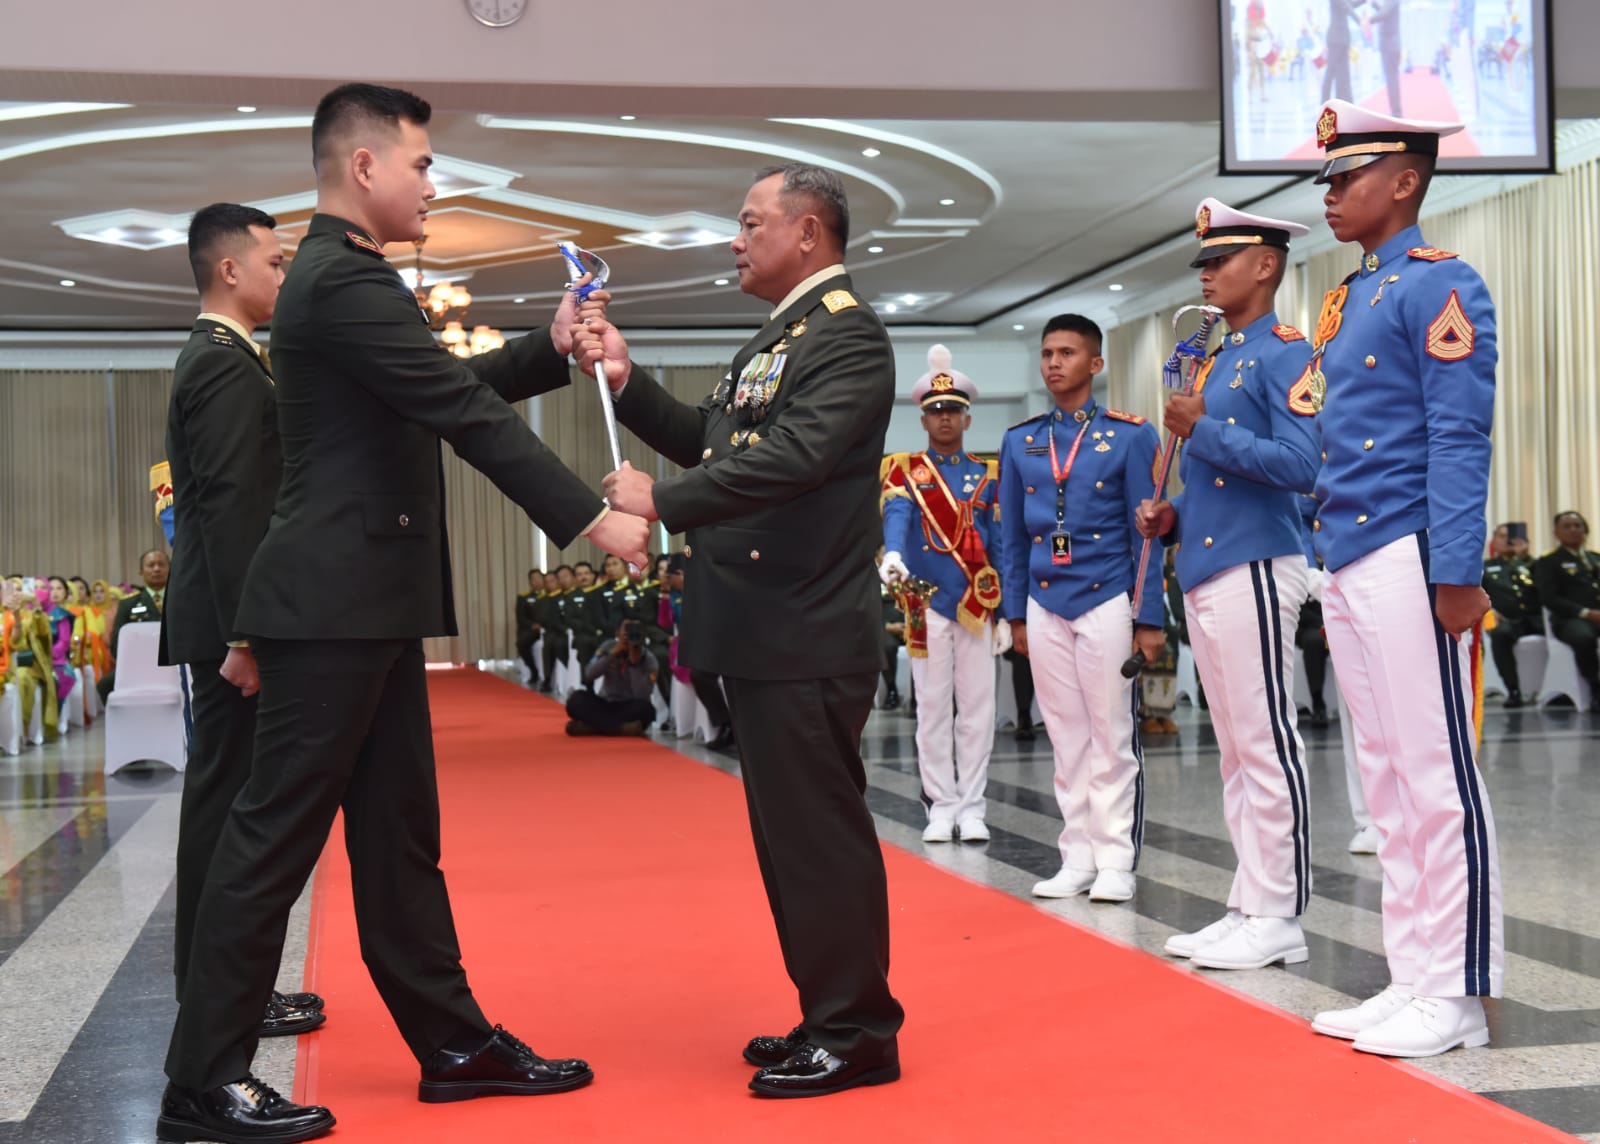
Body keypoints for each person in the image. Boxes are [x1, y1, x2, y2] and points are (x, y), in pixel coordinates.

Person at [158, 83, 649, 1144]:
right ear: (366, 166)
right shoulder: (337, 276)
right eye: (422, 165)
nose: (434, 184)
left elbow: (436, 381)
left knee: (397, 842)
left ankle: (455, 1044)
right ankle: (201, 1079)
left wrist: (546, 344)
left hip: (362, 604)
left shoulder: (345, 278)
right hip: (330, 604)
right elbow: (459, 410)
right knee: (273, 840)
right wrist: (588, 518)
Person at [576, 162, 904, 1098]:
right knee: (789, 838)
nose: (735, 236)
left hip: (803, 624)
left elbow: (796, 459)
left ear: (807, 234)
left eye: (751, 221)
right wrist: (629, 382)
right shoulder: (781, 335)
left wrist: (663, 503)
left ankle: (857, 1030)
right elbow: (719, 440)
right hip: (767, 625)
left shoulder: (846, 336)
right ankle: (826, 1010)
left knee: (817, 835)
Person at [1306, 99, 1503, 1058]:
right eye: (1330, 180)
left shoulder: (1440, 285)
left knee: (1435, 776)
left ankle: (1460, 992)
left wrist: (1458, 569)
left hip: (1410, 549)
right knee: (1384, 779)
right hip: (1348, 550)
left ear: (1406, 181)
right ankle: (1416, 972)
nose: (1333, 194)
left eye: (1348, 177)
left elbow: (1460, 436)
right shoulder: (1350, 296)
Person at [158, 202, 327, 1045]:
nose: (283, 274)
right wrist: (244, 635)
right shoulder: (224, 364)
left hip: (227, 620)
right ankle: (218, 995)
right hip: (230, 627)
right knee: (228, 811)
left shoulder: (224, 357)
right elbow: (230, 510)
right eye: (273, 261)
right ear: (230, 270)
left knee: (225, 807)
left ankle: (220, 989)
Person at [1137, 198, 1320, 971]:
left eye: (1220, 259)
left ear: (1267, 265)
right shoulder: (1217, 357)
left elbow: (1304, 465)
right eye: (1204, 263)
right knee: (1237, 746)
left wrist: (1201, 428)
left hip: (1256, 562)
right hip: (1210, 562)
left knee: (1265, 738)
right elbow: (1220, 482)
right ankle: (1250, 899)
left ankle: (1279, 913)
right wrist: (1170, 517)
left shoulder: (1285, 351)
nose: (1207, 273)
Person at [996, 314, 1164, 904]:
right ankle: (1078, 855)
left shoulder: (1129, 434)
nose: (1053, 363)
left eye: (1067, 353)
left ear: (1095, 365)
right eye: (1046, 353)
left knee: (1112, 733)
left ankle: (1117, 859)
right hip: (1044, 601)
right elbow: (1012, 538)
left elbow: (1148, 534)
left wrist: (1149, 617)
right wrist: (1014, 614)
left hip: (1107, 597)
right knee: (1066, 736)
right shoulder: (1020, 440)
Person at [880, 344, 1003, 844]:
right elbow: (898, 516)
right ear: (924, 419)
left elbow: (1001, 543)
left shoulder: (990, 474)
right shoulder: (905, 469)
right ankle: (941, 805)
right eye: (935, 411)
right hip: (925, 602)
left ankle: (973, 806)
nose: (944, 418)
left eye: (952, 410)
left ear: (967, 418)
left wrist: (1009, 613)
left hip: (978, 604)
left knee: (978, 711)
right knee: (932, 709)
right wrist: (892, 553)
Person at [1532, 511, 1600, 707]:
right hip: (1569, 620)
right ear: (1556, 533)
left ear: (1585, 530)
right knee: (1583, 637)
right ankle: (1595, 687)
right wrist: (1586, 613)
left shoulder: (1595, 558)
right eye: (1567, 526)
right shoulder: (1549, 562)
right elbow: (1549, 598)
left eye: (1577, 525)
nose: (1573, 530)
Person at [1483, 522, 1544, 707]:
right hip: (1507, 621)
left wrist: (1524, 558)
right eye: (1502, 536)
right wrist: (1490, 612)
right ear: (1494, 541)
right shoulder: (1485, 567)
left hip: (1536, 619)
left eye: (1511, 536)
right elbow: (1477, 595)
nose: (1508, 540)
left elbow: (1545, 587)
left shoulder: (1533, 564)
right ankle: (1513, 690)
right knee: (1500, 634)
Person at [97, 549, 170, 702]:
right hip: (137, 664)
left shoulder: (181, 600)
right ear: (141, 572)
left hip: (173, 662)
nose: (156, 569)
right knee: (105, 685)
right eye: (151, 565)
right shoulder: (127, 604)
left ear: (169, 568)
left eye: (161, 565)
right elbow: (117, 643)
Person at [564, 620, 659, 735]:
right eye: (627, 632)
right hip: (606, 702)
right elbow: (589, 674)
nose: (630, 636)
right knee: (575, 700)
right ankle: (620, 728)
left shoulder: (649, 659)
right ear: (617, 634)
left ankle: (594, 727)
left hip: (630, 706)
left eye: (635, 632)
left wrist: (635, 665)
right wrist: (612, 654)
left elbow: (642, 695)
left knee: (648, 710)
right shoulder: (607, 647)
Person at [537, 565, 574, 694]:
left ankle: (569, 672)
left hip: (571, 631)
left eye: (566, 576)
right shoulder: (553, 598)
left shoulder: (575, 594)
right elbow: (550, 617)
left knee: (557, 643)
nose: (563, 580)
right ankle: (548, 678)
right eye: (560, 577)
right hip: (558, 630)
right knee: (549, 642)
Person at [514, 568, 543, 687]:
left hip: (548, 628)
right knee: (522, 643)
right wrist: (533, 625)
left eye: (539, 578)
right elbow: (521, 617)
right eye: (533, 579)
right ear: (530, 582)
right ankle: (533, 671)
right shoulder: (524, 597)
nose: (536, 581)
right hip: (532, 629)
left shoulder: (550, 595)